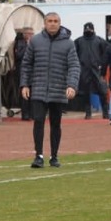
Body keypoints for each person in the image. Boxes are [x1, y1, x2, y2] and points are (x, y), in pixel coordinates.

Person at [20, 11, 80, 168]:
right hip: (38, 88)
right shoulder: (35, 41)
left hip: (58, 89)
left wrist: (71, 85)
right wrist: (25, 84)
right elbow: (26, 64)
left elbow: (74, 66)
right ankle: (38, 156)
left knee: (55, 123)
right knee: (38, 121)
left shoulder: (69, 43)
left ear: (60, 23)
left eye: (56, 21)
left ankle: (54, 156)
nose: (53, 24)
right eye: (50, 21)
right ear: (45, 23)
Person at [74, 21, 109, 119]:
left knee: (102, 91)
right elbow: (73, 55)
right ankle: (88, 113)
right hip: (84, 70)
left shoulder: (99, 41)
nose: (88, 31)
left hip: (97, 70)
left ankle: (105, 112)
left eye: (90, 29)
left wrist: (102, 65)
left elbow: (106, 53)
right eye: (86, 29)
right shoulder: (78, 41)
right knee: (85, 93)